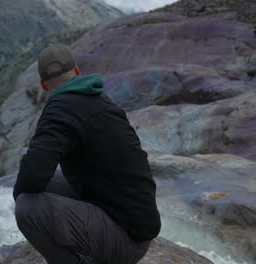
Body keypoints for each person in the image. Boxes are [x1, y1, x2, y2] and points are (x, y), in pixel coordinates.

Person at [13, 44, 161, 264]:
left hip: (127, 240)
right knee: (51, 181)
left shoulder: (59, 110)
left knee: (27, 207)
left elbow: (32, 174)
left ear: (44, 85)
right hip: (136, 224)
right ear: (77, 72)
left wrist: (19, 194)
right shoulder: (98, 99)